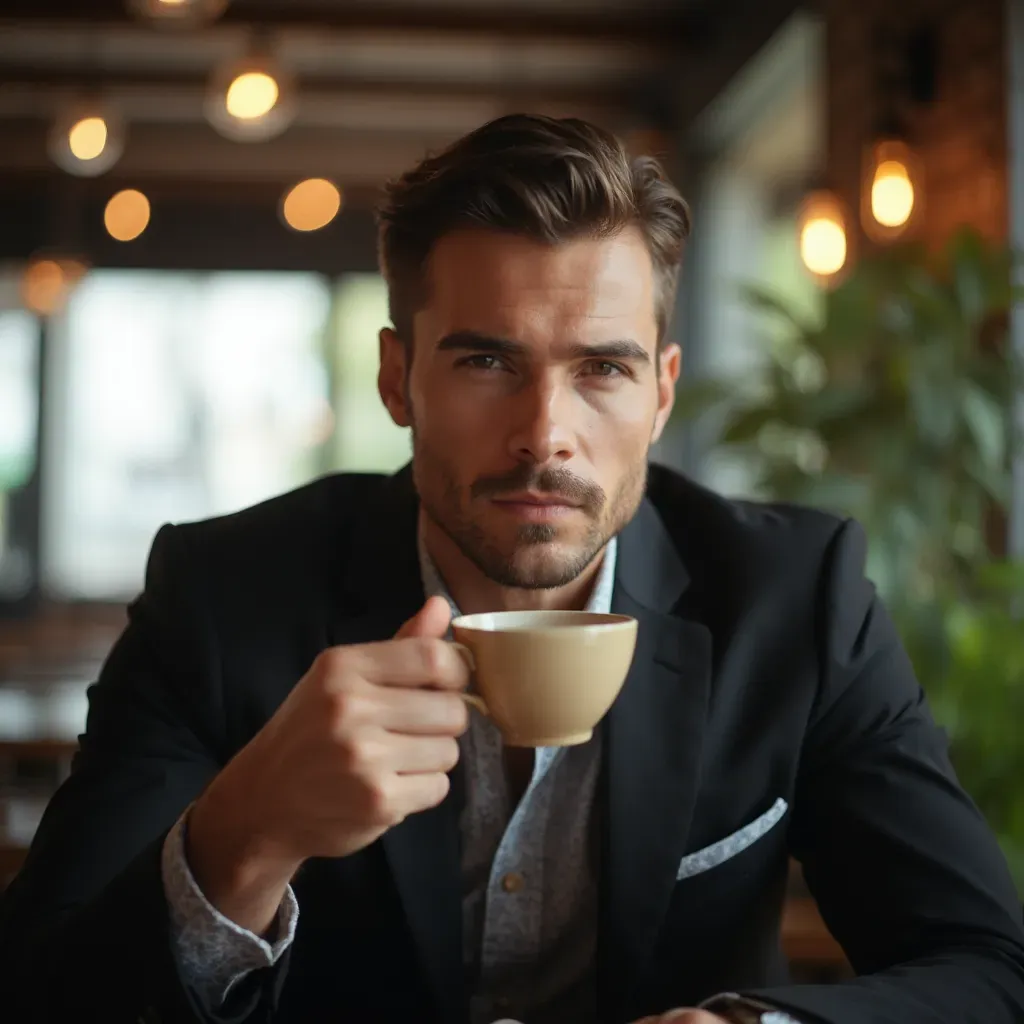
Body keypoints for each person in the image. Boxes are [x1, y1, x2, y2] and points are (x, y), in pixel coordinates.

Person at [1, 114, 1023, 1024]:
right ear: (398, 378)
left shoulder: (799, 600)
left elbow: (988, 966)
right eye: (488, 361)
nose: (546, 435)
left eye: (602, 369)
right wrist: (246, 833)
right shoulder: (221, 597)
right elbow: (37, 990)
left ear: (661, 393)